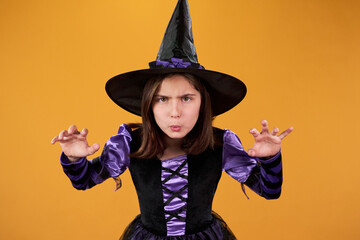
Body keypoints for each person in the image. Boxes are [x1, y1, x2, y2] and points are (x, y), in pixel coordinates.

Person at [51, 0, 293, 239]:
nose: (174, 111)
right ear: (148, 105)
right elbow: (84, 181)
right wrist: (74, 159)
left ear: (203, 103)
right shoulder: (129, 144)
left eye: (186, 99)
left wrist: (271, 158)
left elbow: (270, 190)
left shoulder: (221, 144)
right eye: (162, 99)